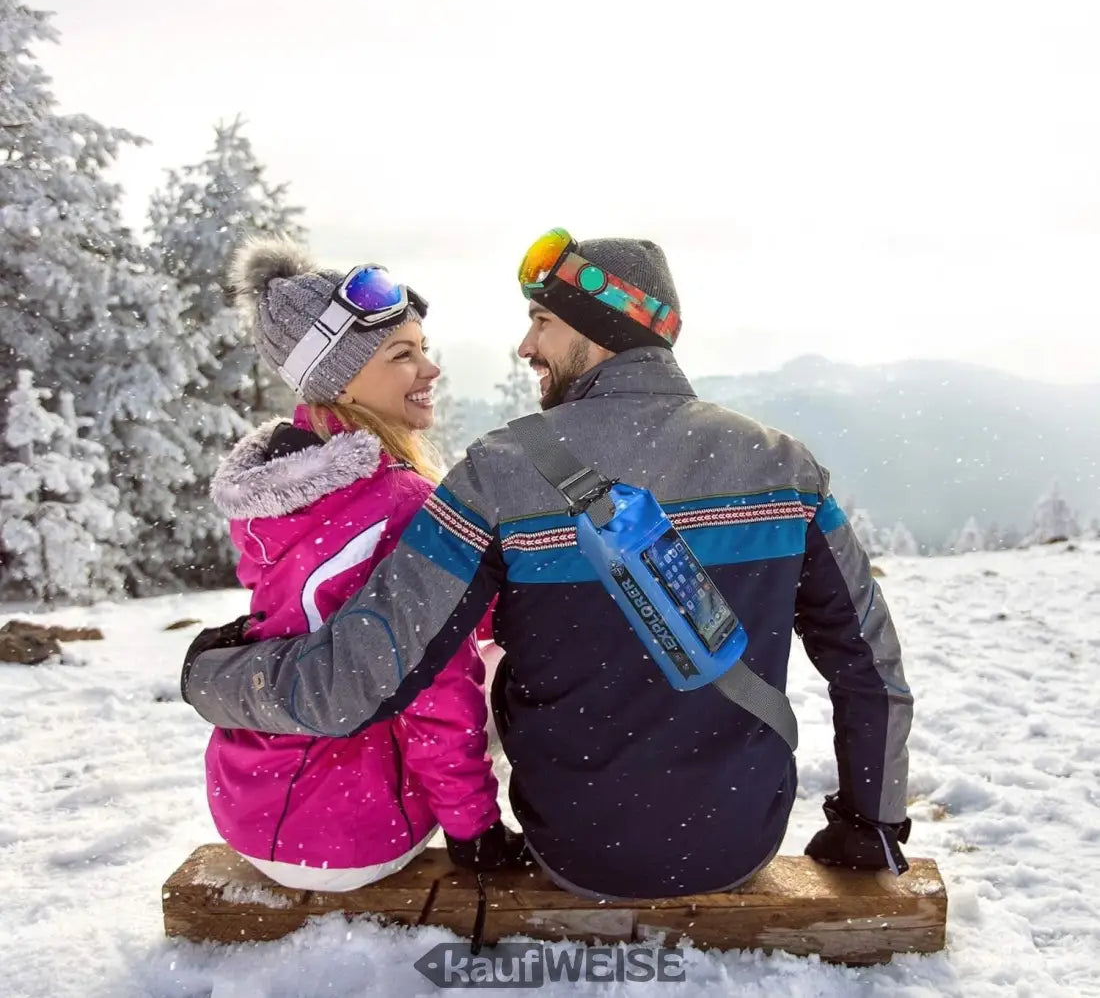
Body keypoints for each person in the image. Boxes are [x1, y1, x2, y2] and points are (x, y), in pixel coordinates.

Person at [183, 228, 913, 899]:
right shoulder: (785, 465)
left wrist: (212, 676)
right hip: (739, 842)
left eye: (543, 322)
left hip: (577, 848)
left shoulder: (499, 472)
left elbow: (358, 677)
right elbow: (867, 657)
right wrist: (870, 822)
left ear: (599, 331)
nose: (526, 346)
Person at [199, 236, 522, 892]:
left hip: (254, 809)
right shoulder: (400, 501)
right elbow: (435, 687)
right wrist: (474, 830)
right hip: (350, 834)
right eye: (403, 355)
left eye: (423, 349)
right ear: (338, 380)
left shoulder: (284, 485)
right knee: (503, 663)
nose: (430, 369)